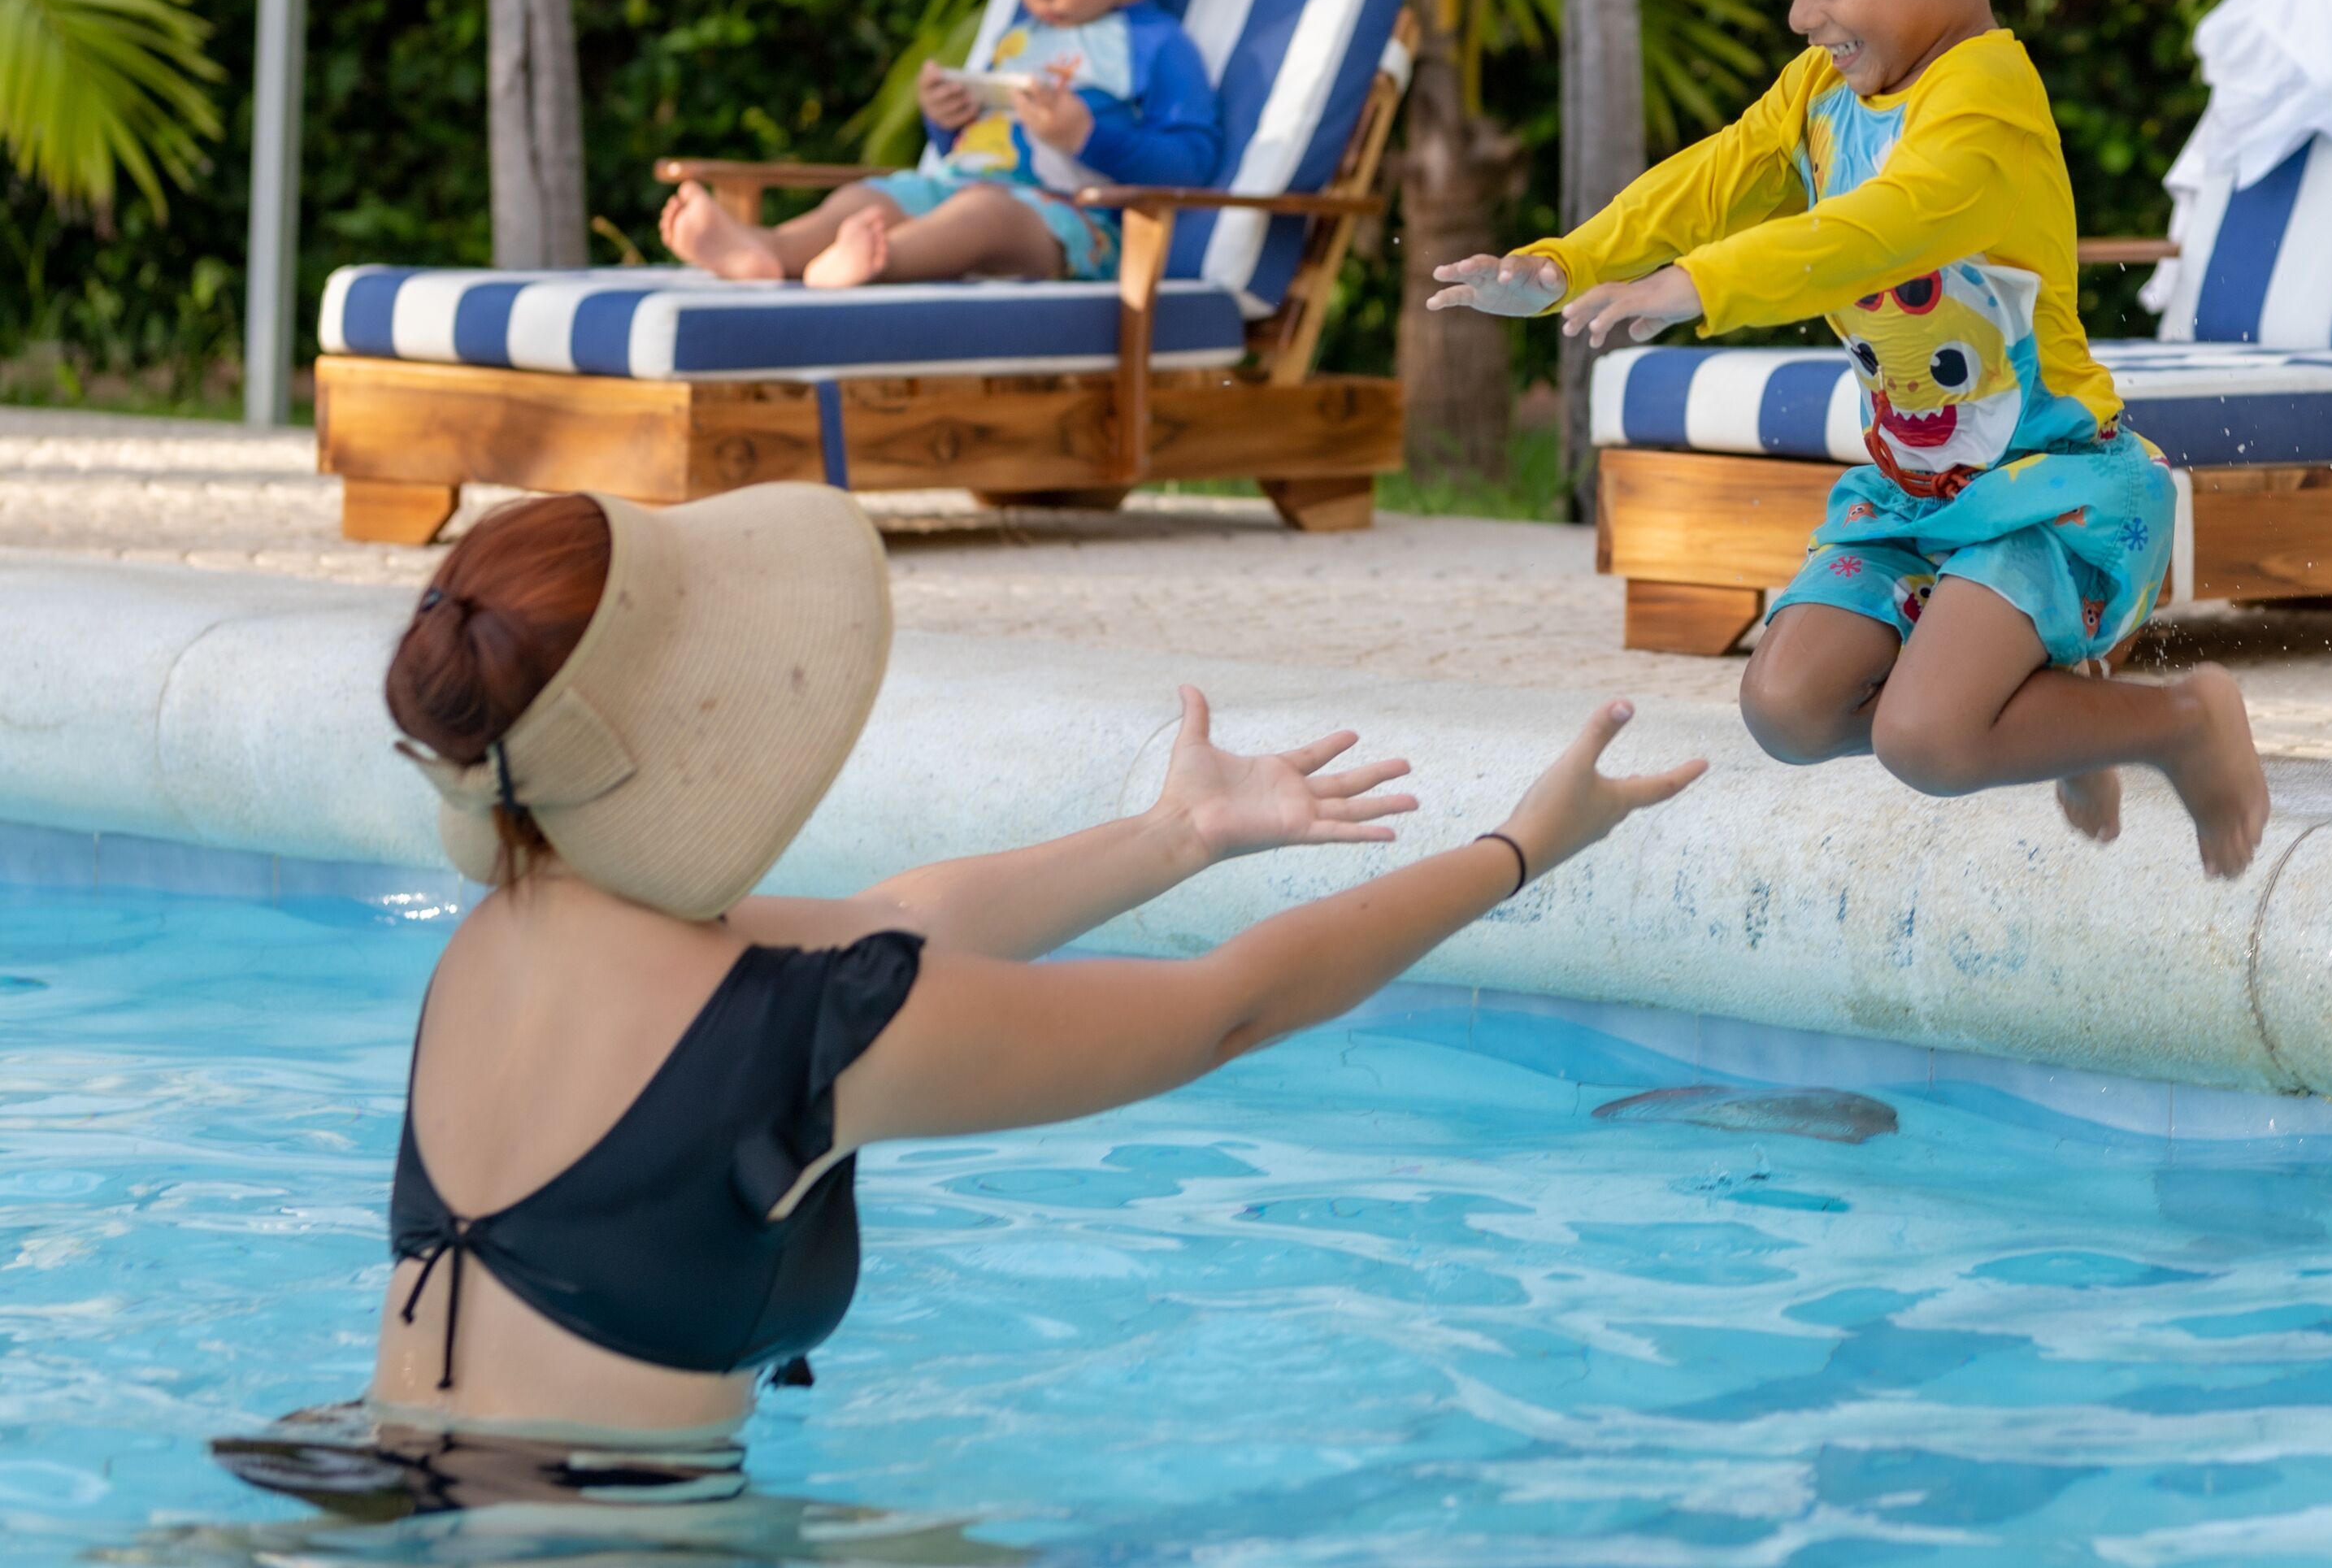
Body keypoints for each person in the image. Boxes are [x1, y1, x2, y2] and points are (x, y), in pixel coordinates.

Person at [330, 483, 1700, 1463]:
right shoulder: (807, 1032)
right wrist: (1520, 848)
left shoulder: (494, 938)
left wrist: (1176, 835)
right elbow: (1227, 1009)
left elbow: (891, 918)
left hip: (390, 1490)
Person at [1428, 0, 2268, 877]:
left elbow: (1875, 231)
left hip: (2049, 487)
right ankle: (2061, 715)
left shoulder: (1987, 107)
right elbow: (1717, 176)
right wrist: (1565, 262)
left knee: (1928, 739)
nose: (1800, 16)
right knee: (1787, 708)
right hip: (1914, 492)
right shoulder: (1824, 91)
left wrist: (1698, 287)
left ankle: (2178, 723)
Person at [662, 0, 1222, 289]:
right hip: (959, 188)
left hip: (1072, 222)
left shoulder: (1157, 45)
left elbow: (1192, 163)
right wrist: (948, 120)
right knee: (867, 198)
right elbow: (980, 147)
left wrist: (1087, 137)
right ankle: (767, 251)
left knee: (983, 216)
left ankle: (880, 263)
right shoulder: (1024, 36)